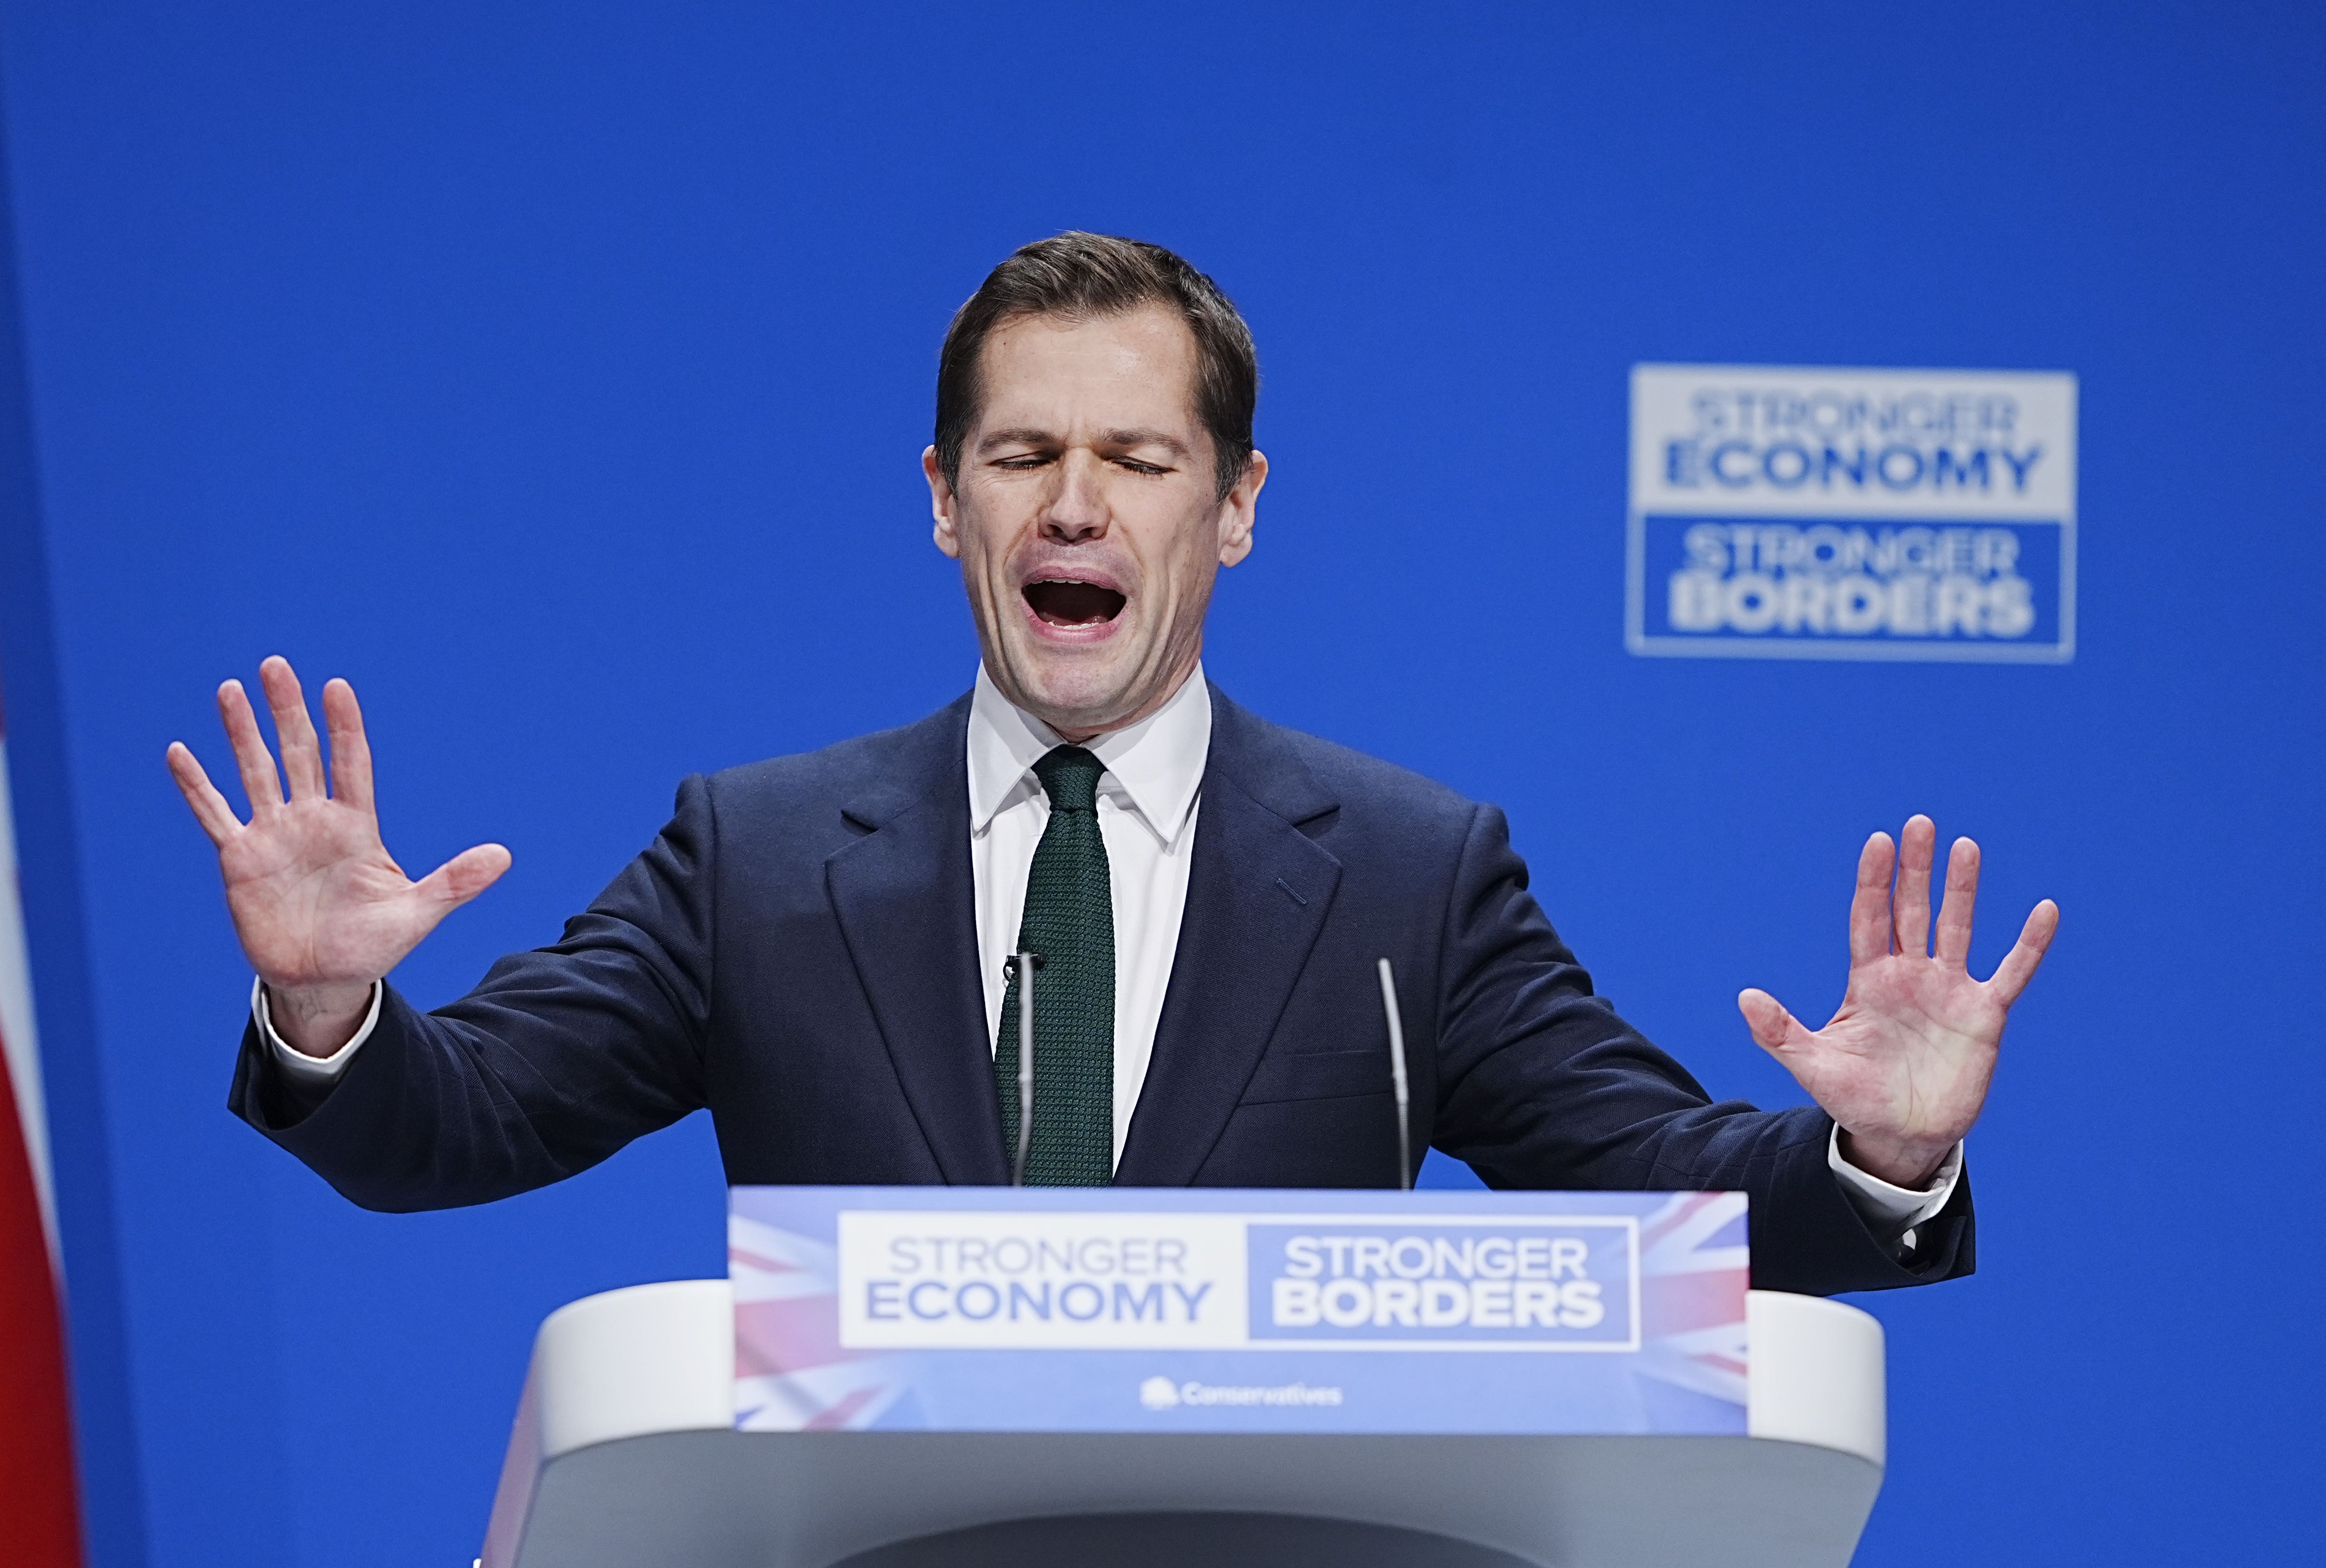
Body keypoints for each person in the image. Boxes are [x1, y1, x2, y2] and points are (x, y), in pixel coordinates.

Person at [166, 233, 2058, 1294]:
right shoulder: (752, 857)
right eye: (1020, 455)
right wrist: (332, 1012)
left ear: (1234, 509)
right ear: (942, 503)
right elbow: (462, 1125)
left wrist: (1876, 1151)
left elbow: (1659, 1184)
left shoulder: (1411, 871)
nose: (1075, 503)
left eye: (1141, 460)